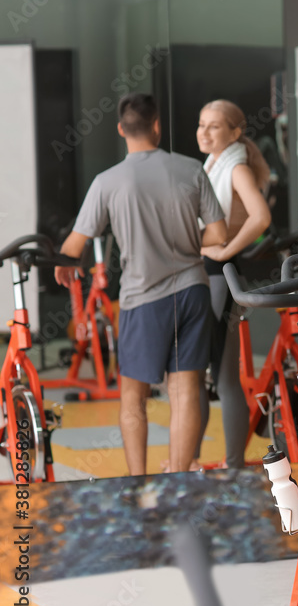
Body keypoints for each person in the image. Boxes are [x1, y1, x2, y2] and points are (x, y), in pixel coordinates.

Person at [55, 92, 227, 476]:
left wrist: (65, 264)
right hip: (192, 291)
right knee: (184, 391)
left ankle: (138, 482)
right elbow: (218, 234)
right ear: (156, 126)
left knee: (133, 396)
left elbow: (75, 246)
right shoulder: (190, 170)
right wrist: (183, 240)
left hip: (142, 300)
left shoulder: (107, 181)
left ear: (121, 130)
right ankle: (178, 477)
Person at [193, 99, 272, 469]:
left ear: (235, 132)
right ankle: (196, 459)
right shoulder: (214, 164)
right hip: (207, 272)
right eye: (201, 125)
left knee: (223, 379)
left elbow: (261, 217)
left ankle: (234, 464)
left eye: (214, 126)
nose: (204, 132)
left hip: (219, 275)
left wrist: (225, 253)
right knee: (207, 376)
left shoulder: (235, 165)